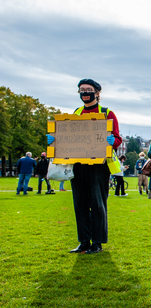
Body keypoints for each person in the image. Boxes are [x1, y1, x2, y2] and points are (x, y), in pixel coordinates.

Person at [49, 79, 122, 254]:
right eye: (81, 90)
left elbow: (117, 138)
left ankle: (97, 242)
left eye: (88, 90)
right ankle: (84, 241)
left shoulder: (107, 113)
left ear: (97, 93)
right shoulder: (77, 112)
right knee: (79, 203)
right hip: (78, 164)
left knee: (97, 204)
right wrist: (55, 140)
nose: (85, 93)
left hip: (99, 165)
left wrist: (113, 142)